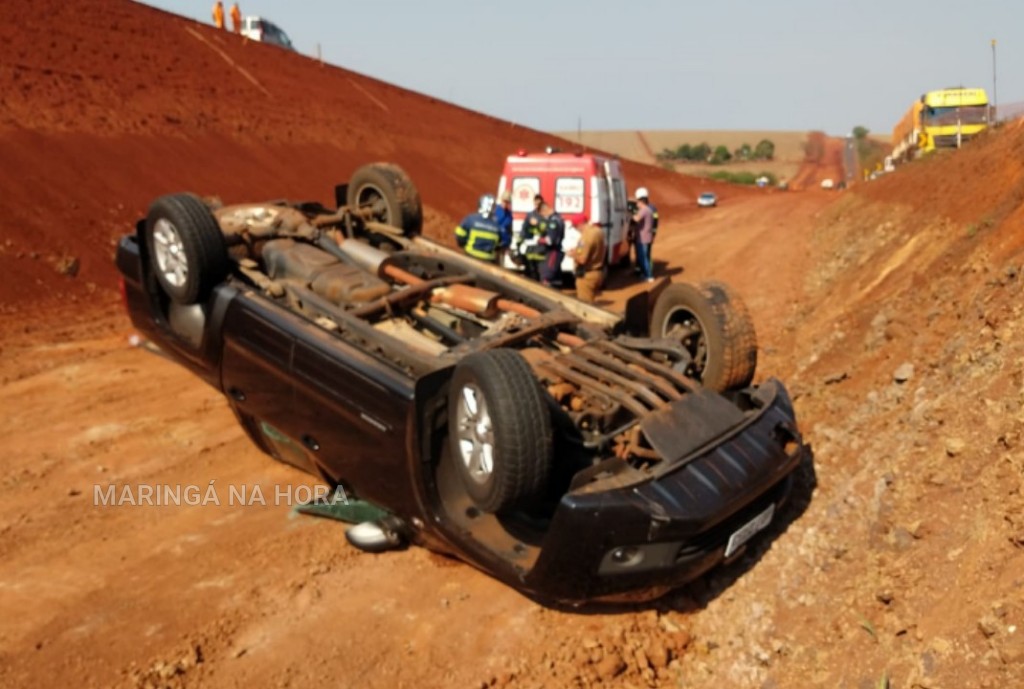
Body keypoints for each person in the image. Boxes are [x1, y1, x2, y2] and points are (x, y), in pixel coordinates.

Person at [454, 194, 502, 263]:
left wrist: (462, 245)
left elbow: (459, 236)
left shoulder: (470, 219)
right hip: (488, 261)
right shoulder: (497, 225)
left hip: (470, 256)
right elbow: (499, 245)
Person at [572, 219, 606, 303]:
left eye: (575, 227)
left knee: (585, 306)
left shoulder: (585, 238)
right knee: (591, 301)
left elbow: (582, 260)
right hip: (598, 272)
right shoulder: (598, 231)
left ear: (579, 224)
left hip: (587, 275)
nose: (576, 230)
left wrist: (573, 254)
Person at [518, 194, 547, 280]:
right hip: (530, 247)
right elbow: (524, 228)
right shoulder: (530, 215)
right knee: (529, 269)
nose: (537, 206)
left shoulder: (545, 216)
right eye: (535, 204)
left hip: (541, 248)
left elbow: (547, 229)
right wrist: (519, 242)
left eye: (539, 204)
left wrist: (538, 224)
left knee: (539, 271)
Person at [536, 203, 565, 287]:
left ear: (544, 211)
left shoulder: (553, 221)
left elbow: (550, 240)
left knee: (546, 277)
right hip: (556, 251)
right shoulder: (559, 218)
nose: (543, 216)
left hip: (552, 252)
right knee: (556, 278)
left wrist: (538, 240)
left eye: (542, 214)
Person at [632, 187, 655, 282]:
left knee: (643, 258)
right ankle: (646, 275)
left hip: (643, 239)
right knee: (644, 257)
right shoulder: (649, 210)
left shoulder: (644, 210)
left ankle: (648, 276)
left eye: (637, 201)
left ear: (642, 201)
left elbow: (636, 219)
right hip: (646, 237)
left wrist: (630, 215)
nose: (637, 203)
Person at [493, 190, 513, 266]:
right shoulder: (495, 210)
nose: (506, 203)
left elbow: (509, 230)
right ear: (501, 200)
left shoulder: (509, 214)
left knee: (499, 265)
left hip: (503, 245)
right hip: (493, 243)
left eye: (508, 202)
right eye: (504, 201)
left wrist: (508, 244)